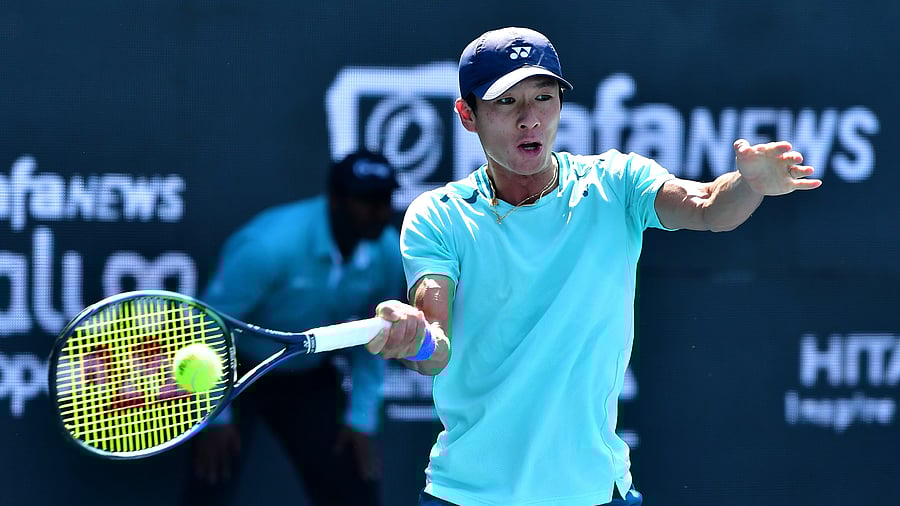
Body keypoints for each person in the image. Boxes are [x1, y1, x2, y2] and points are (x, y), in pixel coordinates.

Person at [364, 27, 822, 506]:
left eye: (544, 97)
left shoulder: (617, 182)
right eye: (505, 102)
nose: (529, 119)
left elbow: (708, 206)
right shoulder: (438, 214)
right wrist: (414, 337)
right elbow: (437, 348)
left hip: (595, 494)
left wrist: (748, 185)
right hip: (464, 496)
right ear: (467, 115)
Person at [181, 149, 405, 506]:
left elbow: (376, 338)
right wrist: (216, 419)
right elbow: (207, 326)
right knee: (211, 477)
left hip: (307, 373)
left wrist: (361, 420)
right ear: (335, 199)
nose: (380, 211)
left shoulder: (387, 253)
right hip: (234, 372)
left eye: (385, 199)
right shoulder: (268, 247)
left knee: (353, 483)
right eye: (367, 200)